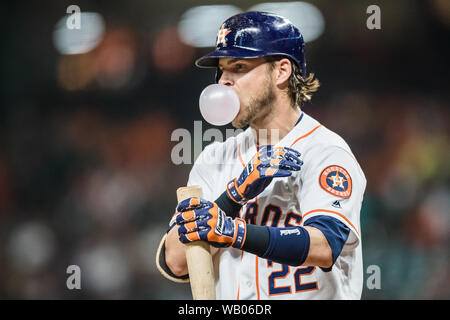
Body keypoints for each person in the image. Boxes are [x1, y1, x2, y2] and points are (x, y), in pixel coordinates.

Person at [158, 11, 366, 299]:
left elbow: (325, 246)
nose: (224, 81)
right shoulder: (213, 158)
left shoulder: (324, 150)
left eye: (239, 66)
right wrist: (232, 197)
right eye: (221, 70)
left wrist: (233, 232)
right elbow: (176, 262)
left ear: (281, 71)